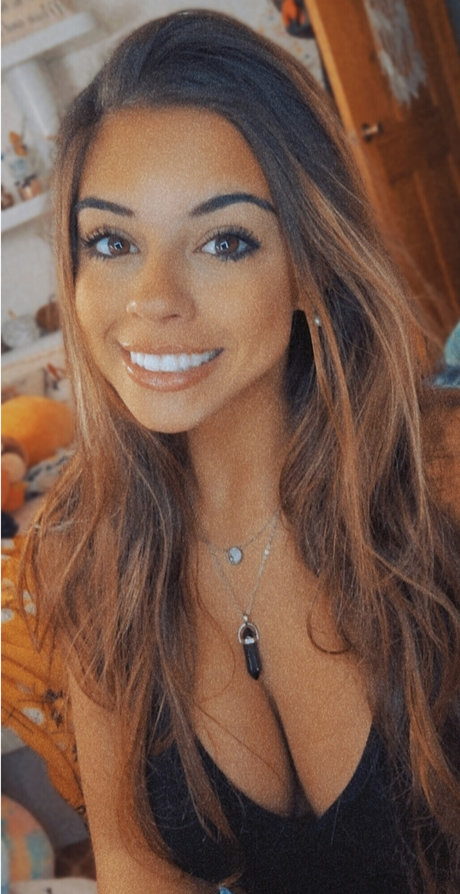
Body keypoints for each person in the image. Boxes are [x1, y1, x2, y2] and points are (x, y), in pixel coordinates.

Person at [2, 9, 459, 894]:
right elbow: (134, 858)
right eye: (111, 241)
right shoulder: (88, 555)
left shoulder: (441, 478)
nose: (153, 299)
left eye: (224, 241)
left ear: (312, 266)